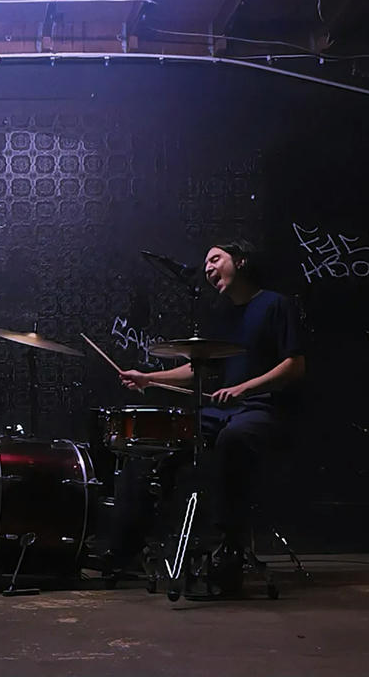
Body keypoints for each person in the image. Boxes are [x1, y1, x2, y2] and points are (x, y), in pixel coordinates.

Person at [115, 239, 306, 593]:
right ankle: (146, 543)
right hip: (224, 411)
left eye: (215, 259)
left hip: (262, 409)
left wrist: (246, 387)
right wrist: (148, 379)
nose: (207, 268)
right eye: (205, 264)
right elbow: (197, 368)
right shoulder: (223, 317)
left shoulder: (275, 304)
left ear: (242, 261)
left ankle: (228, 547)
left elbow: (295, 365)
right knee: (161, 437)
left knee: (233, 439)